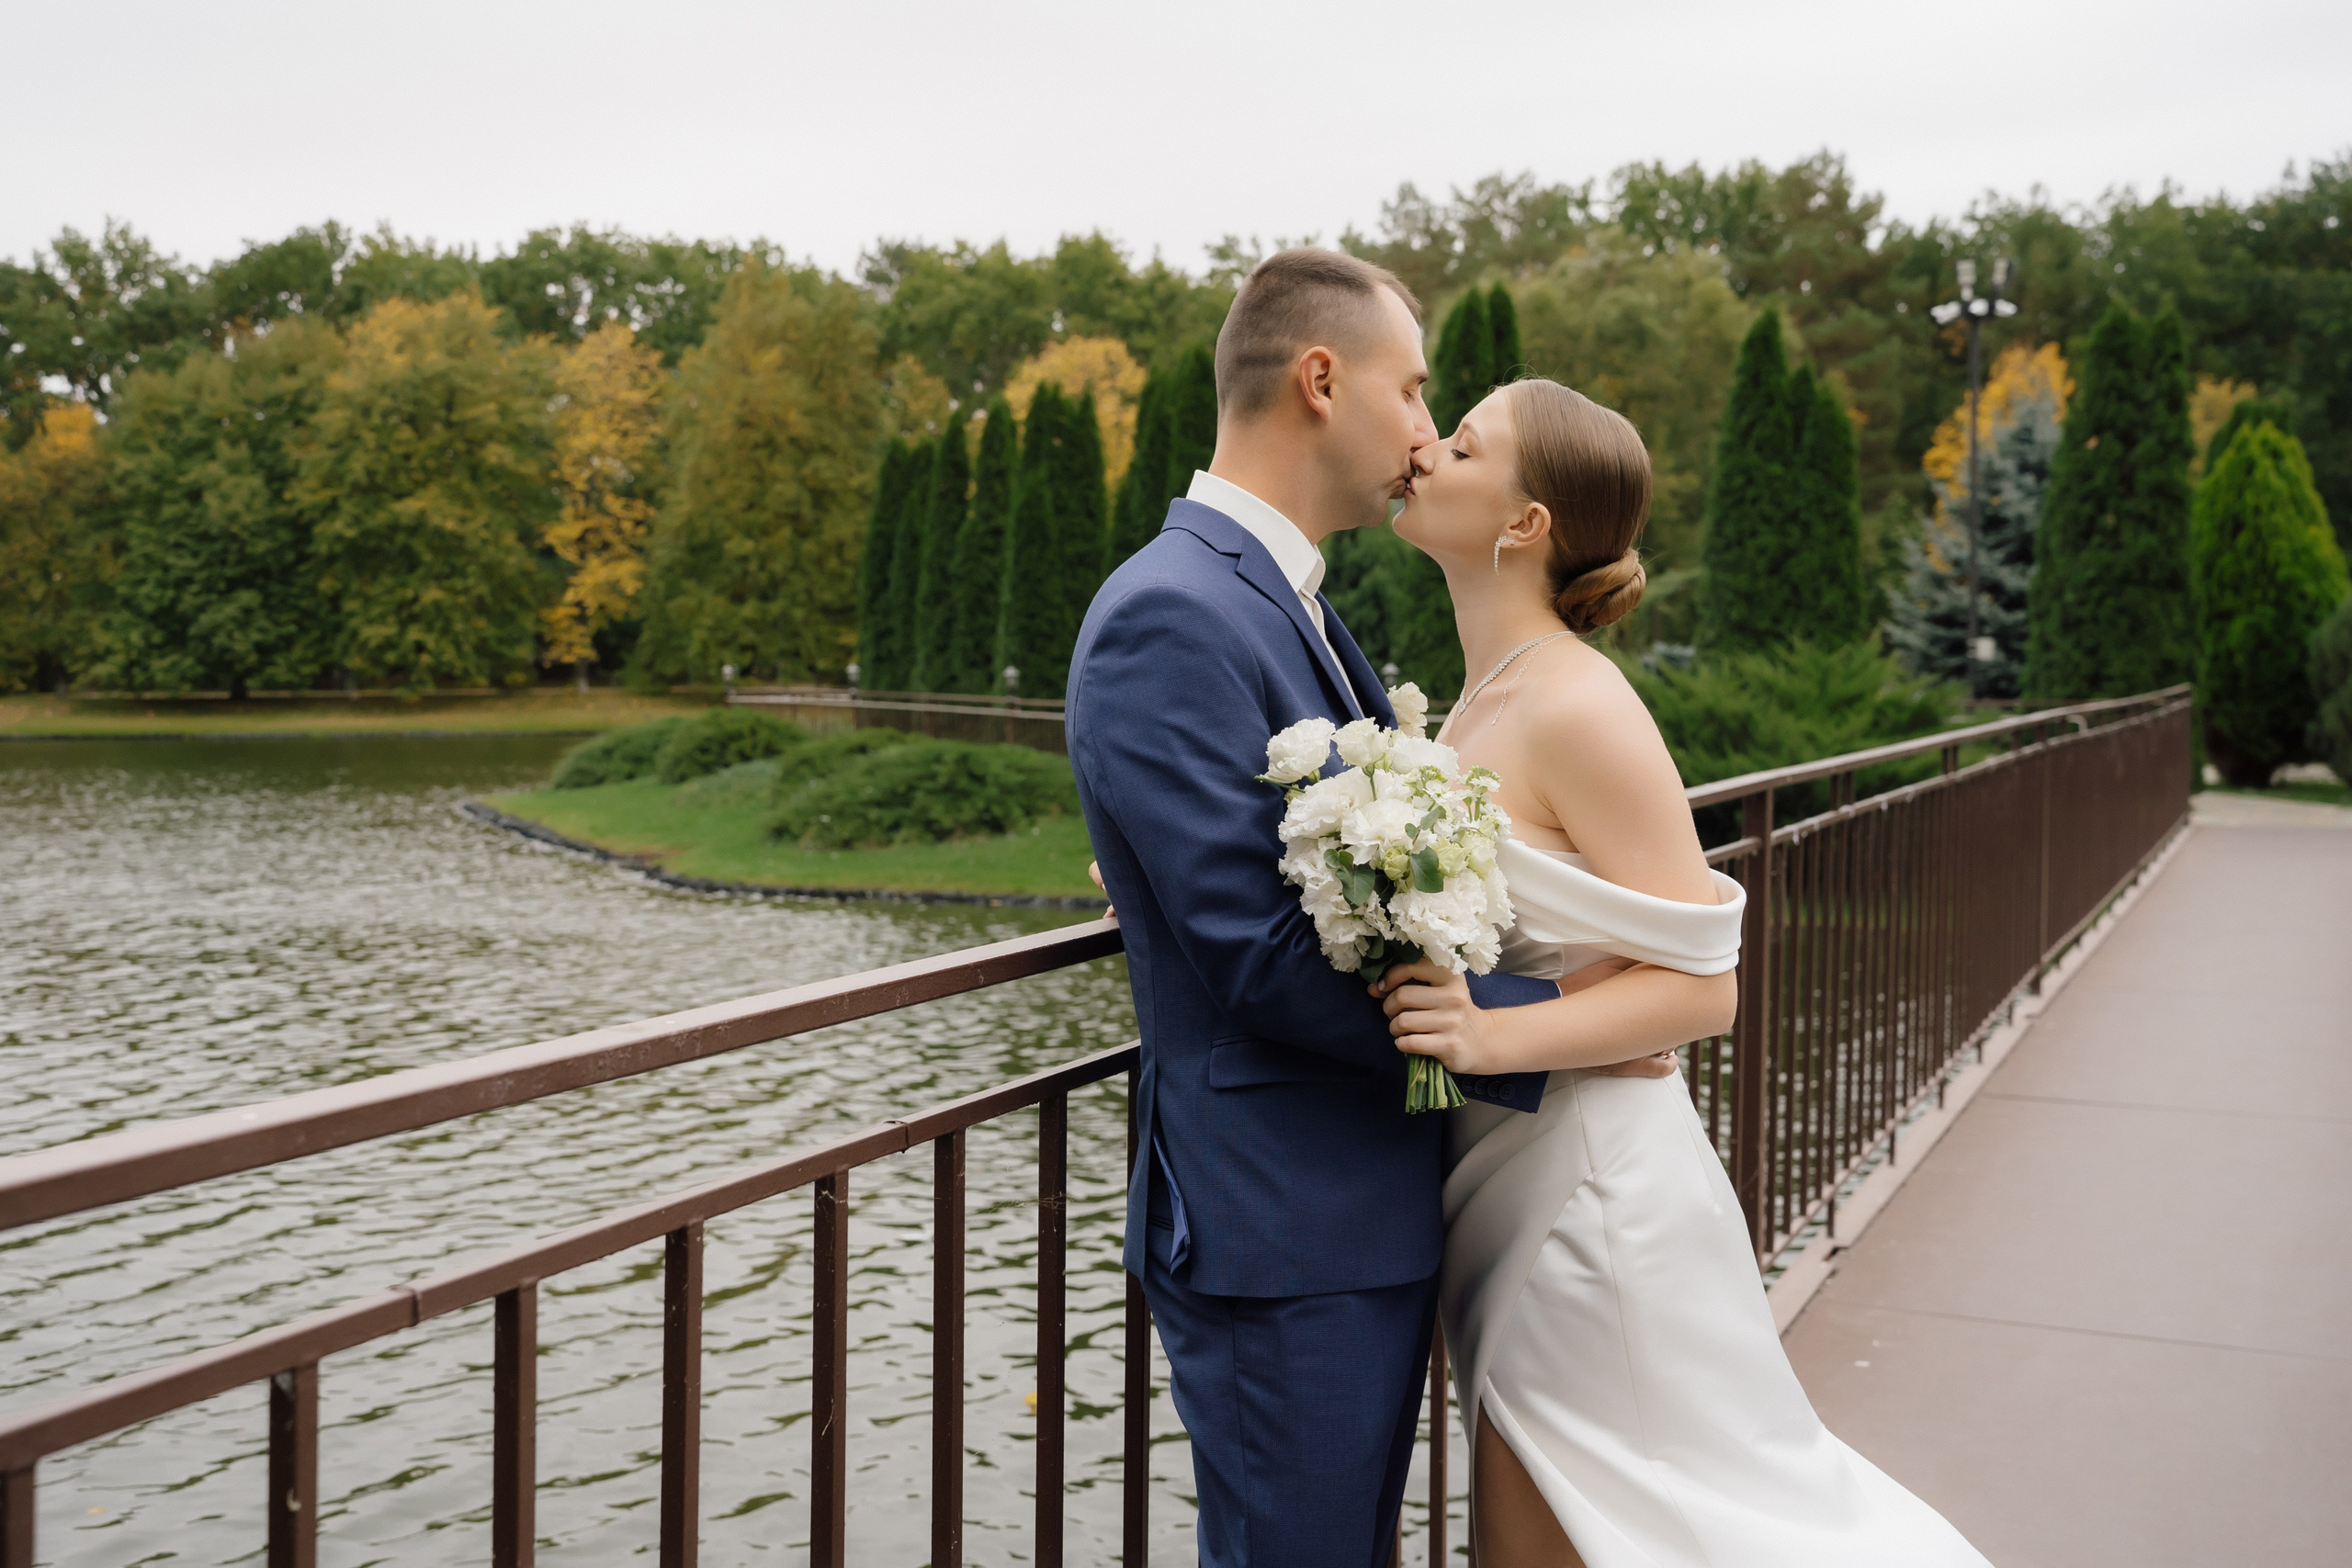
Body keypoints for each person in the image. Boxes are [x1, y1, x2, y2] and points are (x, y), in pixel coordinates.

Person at [1064, 251, 1674, 1568]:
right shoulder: (1170, 614)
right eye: (1415, 392)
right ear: (1320, 381)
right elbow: (1265, 961)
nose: (1421, 434)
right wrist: (1547, 1029)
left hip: (1355, 1207)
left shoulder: (1284, 602)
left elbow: (1262, 883)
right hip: (1283, 1230)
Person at [1370, 377, 1996, 1566]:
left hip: (1594, 1204)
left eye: (1460, 446)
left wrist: (1483, 1034)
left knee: (1666, 1524)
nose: (1422, 454)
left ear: (1524, 523)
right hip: (1512, 1176)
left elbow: (1705, 985)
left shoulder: (1577, 704)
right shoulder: (1481, 699)